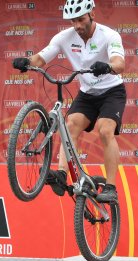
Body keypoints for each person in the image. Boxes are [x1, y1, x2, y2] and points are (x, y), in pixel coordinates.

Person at [13, 0, 126, 203]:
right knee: (70, 125)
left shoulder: (110, 35)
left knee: (105, 130)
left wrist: (107, 66)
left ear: (92, 14)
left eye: (81, 19)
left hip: (111, 91)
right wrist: (26, 62)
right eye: (73, 20)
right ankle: (62, 173)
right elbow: (41, 58)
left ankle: (110, 187)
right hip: (87, 93)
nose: (77, 25)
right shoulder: (64, 37)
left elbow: (120, 63)